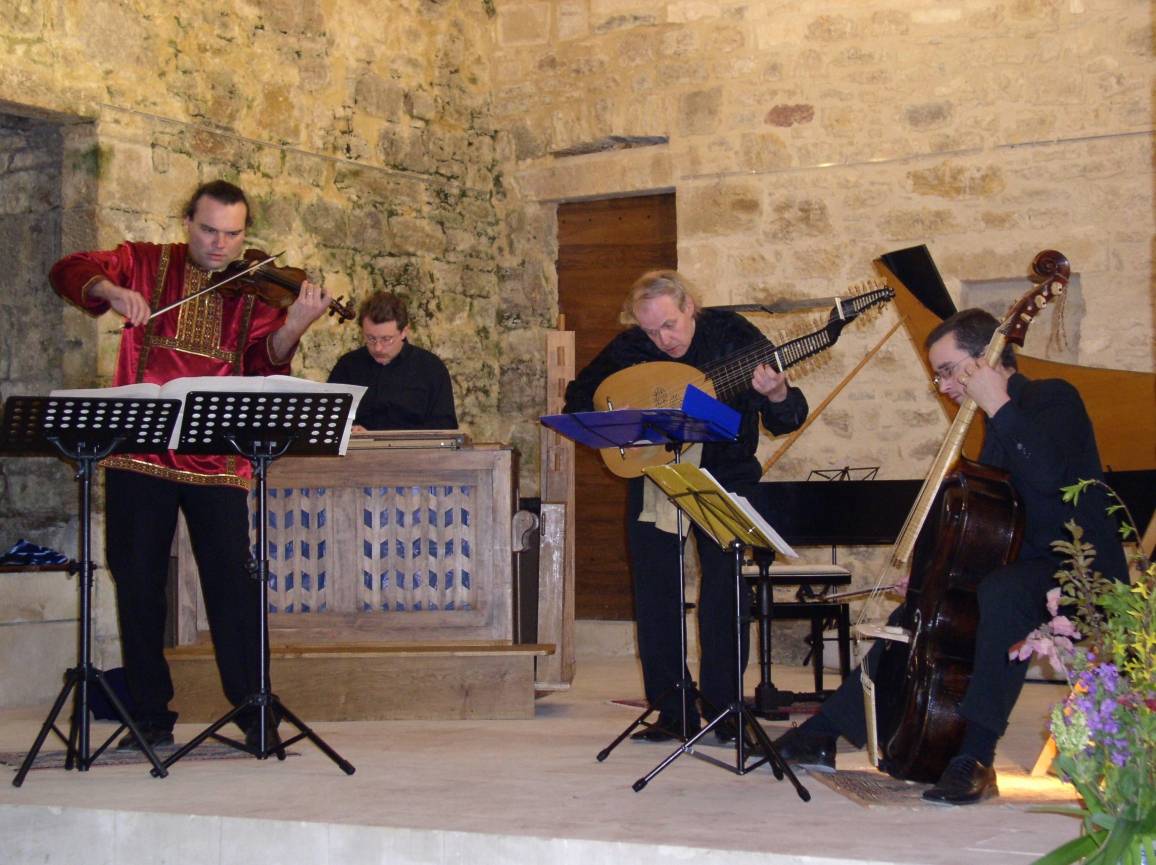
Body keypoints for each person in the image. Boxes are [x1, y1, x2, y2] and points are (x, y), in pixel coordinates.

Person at [773, 308, 1129, 804]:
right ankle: (825, 731)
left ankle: (977, 756)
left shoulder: (1050, 399)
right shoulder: (995, 429)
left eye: (946, 369)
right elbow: (1001, 529)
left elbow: (1049, 482)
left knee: (1003, 594)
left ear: (985, 358)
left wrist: (1000, 405)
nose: (941, 385)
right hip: (1026, 572)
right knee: (924, 604)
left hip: (1083, 573)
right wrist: (933, 571)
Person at [50, 180, 334, 750]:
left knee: (232, 584)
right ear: (186, 222)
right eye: (208, 230)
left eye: (232, 234)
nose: (219, 244)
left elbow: (261, 364)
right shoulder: (142, 261)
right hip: (139, 453)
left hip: (216, 457)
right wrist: (110, 289)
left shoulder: (253, 291)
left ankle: (255, 714)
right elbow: (69, 268)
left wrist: (296, 325)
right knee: (138, 585)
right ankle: (150, 716)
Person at [564, 270, 808, 742]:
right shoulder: (632, 349)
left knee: (724, 594)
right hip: (656, 477)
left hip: (726, 475)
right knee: (655, 595)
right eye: (652, 330)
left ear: (689, 306)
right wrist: (629, 422)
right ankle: (672, 709)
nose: (663, 339)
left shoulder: (733, 336)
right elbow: (582, 396)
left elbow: (787, 418)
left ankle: (723, 708)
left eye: (670, 325)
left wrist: (776, 393)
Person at [327, 290, 457, 431]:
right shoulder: (347, 366)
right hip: (357, 452)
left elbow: (445, 428)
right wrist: (350, 430)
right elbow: (328, 420)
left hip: (413, 452)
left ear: (404, 331)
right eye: (371, 338)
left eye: (386, 339)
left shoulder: (431, 368)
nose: (378, 348)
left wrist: (379, 439)